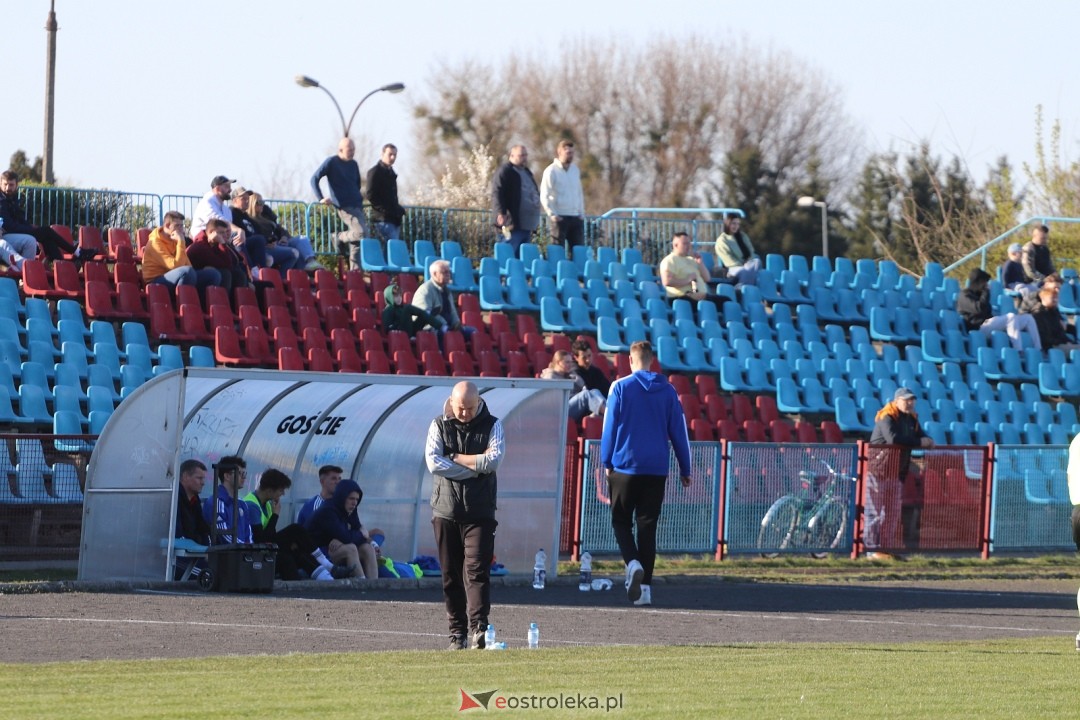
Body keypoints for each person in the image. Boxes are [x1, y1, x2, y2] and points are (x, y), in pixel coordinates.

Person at [600, 340, 692, 607]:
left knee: (620, 521)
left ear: (630, 360)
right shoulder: (669, 390)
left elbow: (609, 428)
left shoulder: (619, 387)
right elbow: (679, 431)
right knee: (647, 528)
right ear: (652, 361)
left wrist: (606, 460)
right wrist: (685, 468)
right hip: (656, 469)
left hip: (625, 466)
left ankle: (632, 563)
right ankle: (646, 591)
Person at [425, 380, 505, 650]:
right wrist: (475, 469)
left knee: (477, 572)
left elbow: (493, 461)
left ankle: (479, 629)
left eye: (470, 408)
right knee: (450, 575)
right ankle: (456, 633)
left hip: (480, 512)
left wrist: (456, 458)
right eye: (461, 408)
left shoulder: (493, 425)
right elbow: (434, 462)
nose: (465, 413)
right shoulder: (438, 425)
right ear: (451, 402)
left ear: (479, 402)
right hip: (445, 511)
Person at [242, 468, 352, 581]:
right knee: (295, 531)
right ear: (270, 491)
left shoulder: (267, 503)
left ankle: (328, 578)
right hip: (255, 551)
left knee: (298, 551)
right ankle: (327, 566)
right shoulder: (252, 506)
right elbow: (261, 540)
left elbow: (270, 535)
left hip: (266, 546)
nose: (283, 494)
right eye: (281, 490)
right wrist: (275, 515)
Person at [866, 388, 934, 560]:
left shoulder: (911, 419)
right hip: (878, 471)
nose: (910, 403)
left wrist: (927, 440)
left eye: (912, 400)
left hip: (896, 473)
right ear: (896, 401)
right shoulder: (887, 416)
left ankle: (886, 548)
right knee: (874, 513)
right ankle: (872, 550)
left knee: (892, 514)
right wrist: (920, 442)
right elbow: (893, 439)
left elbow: (923, 437)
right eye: (906, 400)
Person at [0, 170, 98, 263]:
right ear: (0, 184)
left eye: (11, 185)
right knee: (47, 231)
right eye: (5, 184)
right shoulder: (1, 201)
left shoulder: (11, 199)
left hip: (14, 232)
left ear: (16, 185)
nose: (8, 188)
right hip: (5, 235)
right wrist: (30, 229)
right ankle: (77, 253)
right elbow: (8, 225)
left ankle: (61, 265)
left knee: (47, 239)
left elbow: (20, 219)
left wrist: (30, 227)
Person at [304, 478, 378, 579]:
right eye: (351, 498)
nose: (354, 503)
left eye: (357, 499)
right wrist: (360, 534)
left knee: (367, 548)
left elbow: (356, 528)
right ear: (342, 497)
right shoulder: (328, 511)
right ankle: (361, 585)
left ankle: (374, 584)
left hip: (332, 549)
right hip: (318, 554)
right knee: (351, 548)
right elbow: (350, 537)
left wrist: (344, 539)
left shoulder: (349, 508)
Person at [311, 138, 367, 271]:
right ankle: (338, 237)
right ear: (340, 150)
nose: (352, 152)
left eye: (353, 149)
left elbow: (357, 184)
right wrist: (321, 198)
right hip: (344, 206)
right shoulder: (331, 162)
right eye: (349, 150)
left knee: (358, 240)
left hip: (357, 205)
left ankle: (355, 271)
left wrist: (357, 197)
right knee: (361, 233)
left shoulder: (353, 164)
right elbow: (314, 179)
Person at [956, 268, 1040, 351]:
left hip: (988, 324)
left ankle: (1038, 349)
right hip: (978, 328)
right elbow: (979, 308)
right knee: (1010, 317)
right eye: (984, 282)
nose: (985, 285)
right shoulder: (964, 295)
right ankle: (1018, 350)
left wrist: (984, 293)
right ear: (978, 282)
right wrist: (985, 292)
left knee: (1028, 318)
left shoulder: (979, 294)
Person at [142, 211, 221, 291]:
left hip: (174, 275)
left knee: (213, 274)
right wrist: (181, 241)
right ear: (167, 225)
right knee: (187, 272)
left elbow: (186, 263)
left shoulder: (174, 238)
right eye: (177, 226)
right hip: (156, 281)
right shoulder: (155, 243)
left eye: (181, 226)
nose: (181, 229)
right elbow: (175, 266)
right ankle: (181, 298)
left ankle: (198, 299)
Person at [230, 186, 298, 276]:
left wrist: (269, 241)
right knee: (260, 243)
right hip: (244, 246)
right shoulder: (231, 213)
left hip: (259, 246)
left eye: (247, 199)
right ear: (235, 200)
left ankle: (280, 280)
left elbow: (258, 232)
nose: (247, 201)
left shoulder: (246, 216)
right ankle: (259, 274)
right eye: (243, 199)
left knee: (293, 253)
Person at [249, 192, 321, 272]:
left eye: (263, 202)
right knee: (294, 252)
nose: (262, 205)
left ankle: (311, 262)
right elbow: (258, 237)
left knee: (301, 239)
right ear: (253, 204)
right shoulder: (251, 221)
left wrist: (284, 237)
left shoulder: (266, 217)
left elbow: (281, 229)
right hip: (271, 246)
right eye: (260, 202)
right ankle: (284, 277)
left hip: (281, 242)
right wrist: (268, 242)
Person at [491, 144, 541, 257]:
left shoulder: (527, 172)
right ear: (512, 155)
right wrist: (501, 212)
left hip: (527, 224)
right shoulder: (506, 171)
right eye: (521, 155)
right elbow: (497, 192)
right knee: (509, 253)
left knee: (522, 257)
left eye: (525, 155)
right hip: (512, 222)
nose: (524, 158)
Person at [412, 259, 474, 342]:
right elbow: (426, 315)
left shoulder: (447, 291)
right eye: (445, 272)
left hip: (447, 327)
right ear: (434, 274)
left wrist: (457, 324)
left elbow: (452, 311)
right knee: (445, 334)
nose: (448, 275)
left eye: (449, 272)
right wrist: (444, 325)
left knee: (473, 332)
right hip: (430, 328)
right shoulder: (425, 290)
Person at [540, 139, 585, 250]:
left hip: (575, 216)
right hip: (559, 216)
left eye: (572, 153)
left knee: (578, 250)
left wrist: (581, 213)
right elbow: (545, 194)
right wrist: (552, 214)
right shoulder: (551, 171)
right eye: (568, 152)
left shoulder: (575, 170)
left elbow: (579, 193)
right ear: (559, 152)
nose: (570, 155)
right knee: (557, 249)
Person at [660, 231, 724, 309]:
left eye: (689, 243)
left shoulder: (692, 260)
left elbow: (707, 278)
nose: (688, 246)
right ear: (675, 245)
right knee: (706, 306)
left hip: (700, 297)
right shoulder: (670, 260)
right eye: (685, 243)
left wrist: (700, 263)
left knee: (726, 301)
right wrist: (688, 279)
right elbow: (667, 281)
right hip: (681, 297)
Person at [186, 218, 251, 292]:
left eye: (225, 232)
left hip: (209, 274)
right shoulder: (200, 245)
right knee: (225, 274)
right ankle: (222, 299)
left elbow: (234, 262)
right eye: (221, 232)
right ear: (211, 232)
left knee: (238, 274)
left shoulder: (215, 243)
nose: (225, 235)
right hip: (195, 278)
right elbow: (226, 264)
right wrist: (222, 244)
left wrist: (248, 282)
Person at [202, 455, 255, 545]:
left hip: (241, 551)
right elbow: (223, 535)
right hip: (224, 553)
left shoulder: (242, 504)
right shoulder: (216, 502)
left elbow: (248, 533)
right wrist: (245, 548)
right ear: (227, 476)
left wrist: (249, 547)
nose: (244, 477)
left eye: (244, 473)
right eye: (239, 473)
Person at [540, 350, 606, 421]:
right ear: (558, 362)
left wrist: (575, 377)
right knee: (585, 395)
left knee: (595, 391)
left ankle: (605, 412)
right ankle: (608, 414)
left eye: (571, 362)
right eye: (567, 362)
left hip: (570, 406)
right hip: (559, 410)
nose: (570, 365)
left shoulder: (568, 375)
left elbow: (583, 386)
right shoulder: (550, 377)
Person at [174, 459, 212, 580]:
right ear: (185, 476)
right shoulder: (173, 498)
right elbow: (176, 535)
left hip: (194, 554)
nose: (203, 483)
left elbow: (203, 529)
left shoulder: (195, 500)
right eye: (199, 478)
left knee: (221, 570)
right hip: (176, 557)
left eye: (203, 479)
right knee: (211, 575)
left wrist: (208, 550)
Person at [365, 143, 406, 241]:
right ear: (382, 154)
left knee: (392, 247)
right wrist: (383, 209)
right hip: (383, 218)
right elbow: (370, 194)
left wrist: (398, 210)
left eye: (394, 155)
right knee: (393, 246)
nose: (392, 157)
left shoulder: (391, 172)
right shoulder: (375, 172)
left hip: (394, 218)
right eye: (390, 154)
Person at [1028, 286, 1080, 352]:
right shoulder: (1038, 314)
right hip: (1051, 347)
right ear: (1043, 298)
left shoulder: (1054, 312)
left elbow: (1060, 333)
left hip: (1061, 344)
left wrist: (1071, 342)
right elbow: (1044, 338)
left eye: (1056, 298)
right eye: (1052, 298)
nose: (1055, 300)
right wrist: (1062, 342)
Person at [713, 213, 760, 286]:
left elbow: (751, 251)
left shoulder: (743, 236)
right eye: (734, 223)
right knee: (744, 271)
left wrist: (749, 261)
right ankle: (742, 287)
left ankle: (749, 287)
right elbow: (728, 259)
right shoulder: (722, 240)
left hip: (749, 265)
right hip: (733, 268)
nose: (736, 226)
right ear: (728, 224)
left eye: (738, 224)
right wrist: (742, 265)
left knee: (757, 262)